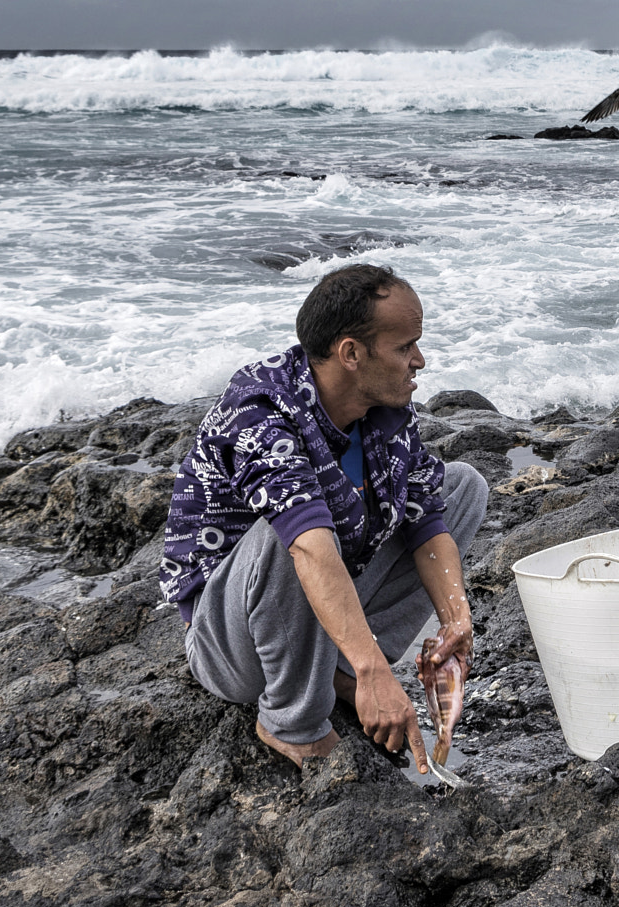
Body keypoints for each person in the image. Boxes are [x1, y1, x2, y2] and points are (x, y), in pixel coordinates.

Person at [160, 263, 488, 768]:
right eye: (404, 347)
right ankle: (292, 721)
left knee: (462, 486)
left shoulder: (385, 409)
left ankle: (339, 666)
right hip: (232, 644)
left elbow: (425, 519)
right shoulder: (261, 408)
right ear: (351, 353)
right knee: (292, 529)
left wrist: (456, 621)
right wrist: (376, 672)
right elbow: (308, 548)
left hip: (321, 600)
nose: (419, 361)